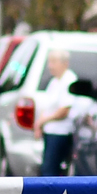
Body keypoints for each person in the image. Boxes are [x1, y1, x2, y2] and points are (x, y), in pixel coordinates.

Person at [35, 48, 78, 177]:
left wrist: (43, 120)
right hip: (50, 131)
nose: (50, 66)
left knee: (51, 169)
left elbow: (64, 110)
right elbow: (47, 106)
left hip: (61, 133)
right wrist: (40, 124)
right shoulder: (53, 82)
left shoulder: (69, 80)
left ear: (65, 63)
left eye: (54, 62)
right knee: (46, 168)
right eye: (49, 62)